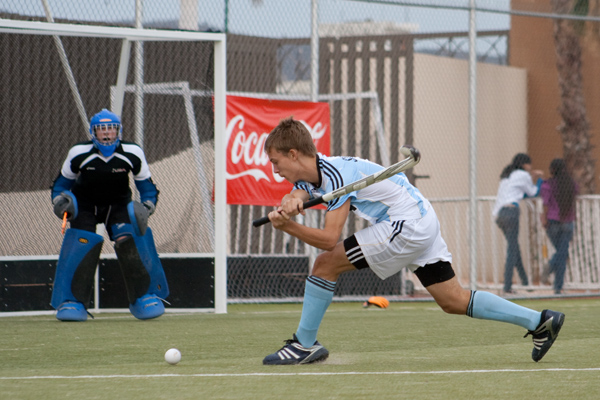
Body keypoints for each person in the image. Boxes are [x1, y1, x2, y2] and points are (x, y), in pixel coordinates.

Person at [261, 117, 564, 365]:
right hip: (422, 218)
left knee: (325, 264)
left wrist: (288, 227)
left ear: (293, 154)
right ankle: (539, 320)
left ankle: (304, 344)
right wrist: (291, 198)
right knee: (453, 300)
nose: (276, 171)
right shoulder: (320, 172)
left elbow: (329, 240)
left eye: (276, 162)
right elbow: (303, 188)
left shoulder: (338, 176)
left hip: (406, 224)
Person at [50, 109, 169, 321]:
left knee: (129, 240)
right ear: (93, 132)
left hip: (118, 205)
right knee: (82, 242)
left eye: (111, 130)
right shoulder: (78, 152)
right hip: (85, 205)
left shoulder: (133, 152)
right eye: (101, 130)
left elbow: (147, 187)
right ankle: (71, 301)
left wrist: (148, 206)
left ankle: (144, 296)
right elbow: (60, 184)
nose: (106, 134)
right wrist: (59, 201)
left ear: (118, 131)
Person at [492, 153, 543, 294]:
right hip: (511, 212)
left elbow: (522, 193)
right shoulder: (523, 175)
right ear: (525, 164)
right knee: (512, 250)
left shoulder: (507, 175)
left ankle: (525, 282)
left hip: (500, 214)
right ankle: (507, 286)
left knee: (514, 247)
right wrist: (539, 179)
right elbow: (533, 192)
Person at [540, 159, 577, 294]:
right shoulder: (571, 184)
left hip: (553, 221)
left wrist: (544, 218)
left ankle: (551, 268)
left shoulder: (547, 185)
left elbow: (545, 203)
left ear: (552, 169)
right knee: (562, 253)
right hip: (568, 222)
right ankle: (558, 287)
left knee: (561, 253)